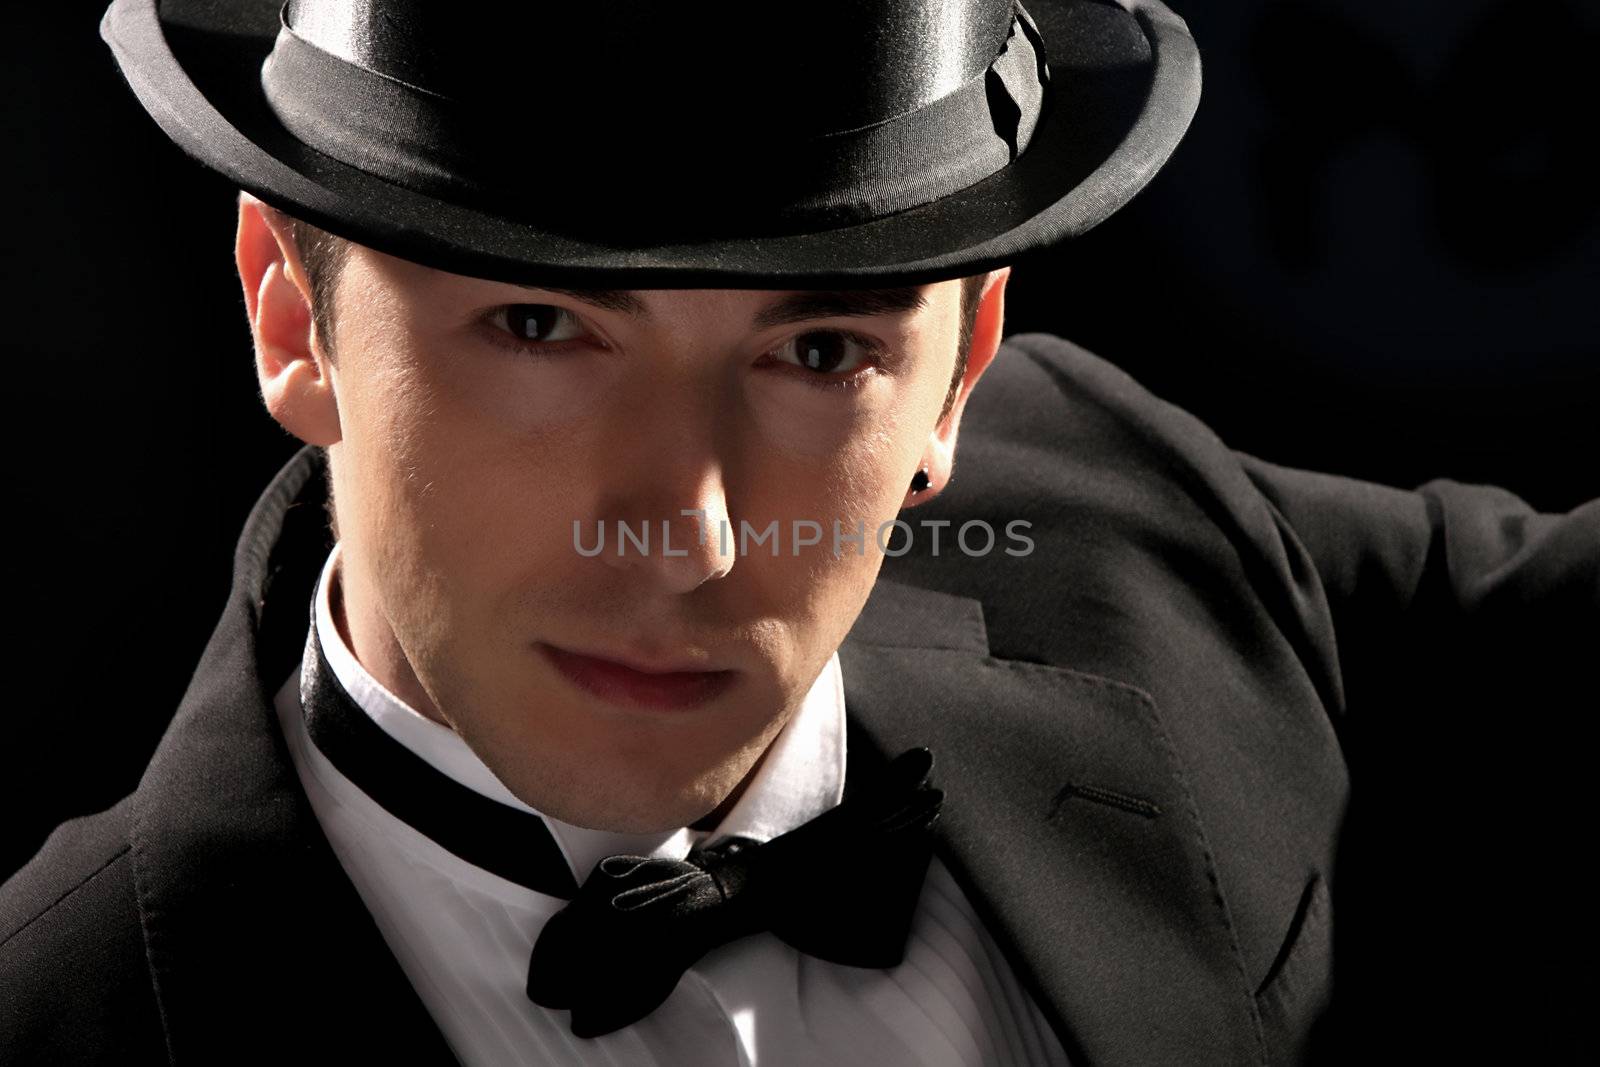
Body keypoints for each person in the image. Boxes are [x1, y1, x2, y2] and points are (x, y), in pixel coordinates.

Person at [3, 0, 1595, 1064]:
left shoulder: (1127, 520)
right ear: (295, 316)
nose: (685, 537)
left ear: (960, 372)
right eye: (542, 330)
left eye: (820, 352)